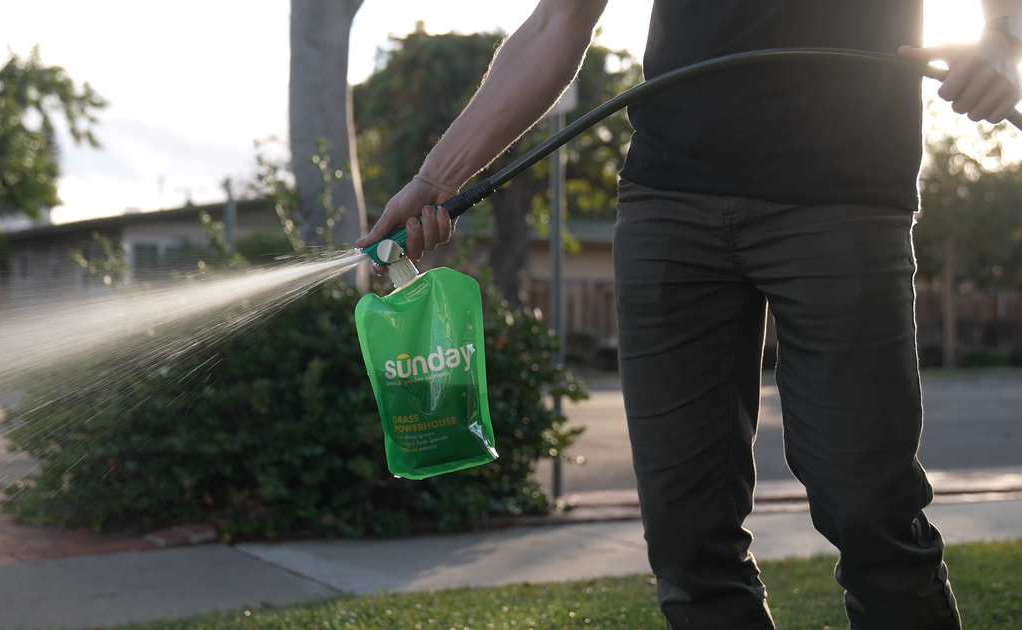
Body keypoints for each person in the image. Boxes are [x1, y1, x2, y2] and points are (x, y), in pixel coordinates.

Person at [356, 1, 1021, 628]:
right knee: (687, 539)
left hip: (844, 197)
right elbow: (559, 18)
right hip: (669, 199)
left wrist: (1002, 42)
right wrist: (434, 182)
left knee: (870, 508)